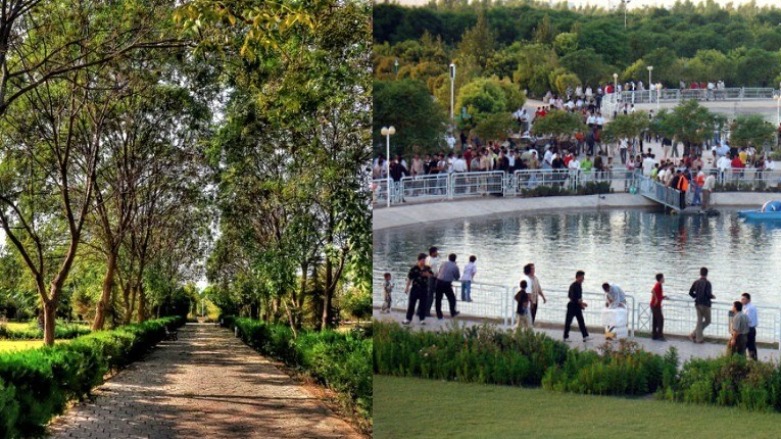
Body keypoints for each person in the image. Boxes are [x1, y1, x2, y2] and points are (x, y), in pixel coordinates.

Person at [403, 253, 431, 325]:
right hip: (415, 288)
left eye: (425, 260)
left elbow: (433, 274)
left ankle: (422, 319)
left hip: (424, 288)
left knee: (423, 305)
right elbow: (409, 279)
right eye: (423, 260)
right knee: (411, 304)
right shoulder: (414, 268)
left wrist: (427, 274)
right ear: (419, 260)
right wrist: (406, 288)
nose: (424, 262)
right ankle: (408, 318)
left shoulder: (427, 268)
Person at [689, 267, 715, 343]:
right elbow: (708, 294)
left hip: (697, 304)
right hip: (706, 304)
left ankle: (694, 334)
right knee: (708, 321)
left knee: (699, 321)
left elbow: (690, 292)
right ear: (707, 274)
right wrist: (712, 296)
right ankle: (699, 339)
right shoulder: (708, 283)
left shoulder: (696, 282)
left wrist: (695, 296)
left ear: (700, 273)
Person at [564, 270, 591, 342]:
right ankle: (565, 337)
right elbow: (571, 297)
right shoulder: (573, 286)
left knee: (581, 321)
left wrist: (582, 303)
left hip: (577, 306)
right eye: (582, 277)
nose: (583, 279)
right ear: (578, 277)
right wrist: (581, 303)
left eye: (583, 277)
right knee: (568, 322)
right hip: (572, 306)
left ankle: (585, 336)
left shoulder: (579, 286)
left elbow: (579, 297)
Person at [435, 253, 461, 320]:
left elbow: (439, 271)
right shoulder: (455, 267)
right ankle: (453, 312)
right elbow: (457, 277)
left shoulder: (443, 263)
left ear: (448, 258)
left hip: (438, 282)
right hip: (446, 284)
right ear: (455, 259)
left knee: (438, 299)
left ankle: (439, 316)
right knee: (452, 299)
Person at [650, 273, 669, 341]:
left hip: (654, 305)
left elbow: (658, 294)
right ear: (660, 279)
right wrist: (656, 299)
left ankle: (654, 335)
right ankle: (660, 336)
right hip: (655, 305)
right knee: (660, 320)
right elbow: (653, 291)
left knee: (655, 320)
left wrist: (663, 297)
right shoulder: (658, 285)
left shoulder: (659, 285)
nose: (664, 279)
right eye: (663, 278)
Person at [741, 293, 758, 360]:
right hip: (750, 329)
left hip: (749, 329)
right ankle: (753, 362)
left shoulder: (749, 308)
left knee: (749, 347)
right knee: (751, 346)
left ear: (748, 300)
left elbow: (747, 320)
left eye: (743, 299)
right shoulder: (747, 307)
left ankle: (752, 361)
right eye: (741, 299)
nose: (741, 300)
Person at [425, 246, 440, 317]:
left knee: (428, 295)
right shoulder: (429, 260)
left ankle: (422, 310)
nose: (437, 253)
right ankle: (426, 312)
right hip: (431, 278)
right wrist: (434, 275)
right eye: (436, 252)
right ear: (433, 252)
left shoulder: (431, 259)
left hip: (433, 278)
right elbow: (428, 269)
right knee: (430, 295)